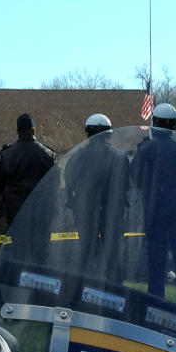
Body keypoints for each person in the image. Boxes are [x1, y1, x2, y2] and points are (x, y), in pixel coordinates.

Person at [131, 104, 176, 307]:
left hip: (153, 211)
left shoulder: (145, 149)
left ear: (155, 123)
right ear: (175, 124)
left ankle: (155, 301)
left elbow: (135, 176)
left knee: (156, 260)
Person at [64, 114, 130, 275]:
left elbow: (69, 181)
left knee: (86, 253)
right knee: (112, 255)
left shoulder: (77, 156)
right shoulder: (119, 157)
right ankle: (113, 291)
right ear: (108, 133)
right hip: (112, 213)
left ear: (87, 132)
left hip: (85, 212)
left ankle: (83, 290)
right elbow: (125, 185)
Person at [0, 113, 56, 229]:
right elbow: (54, 184)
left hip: (14, 210)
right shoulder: (48, 155)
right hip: (40, 209)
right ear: (34, 131)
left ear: (18, 131)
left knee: (18, 244)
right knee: (40, 244)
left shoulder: (7, 155)